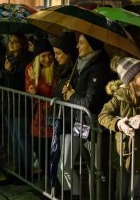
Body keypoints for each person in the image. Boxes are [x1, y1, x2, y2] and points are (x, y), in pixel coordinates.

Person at [98, 56, 140, 200]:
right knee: (121, 193)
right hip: (123, 153)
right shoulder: (119, 97)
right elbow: (103, 116)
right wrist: (119, 123)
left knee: (134, 194)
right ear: (131, 79)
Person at [61, 34, 113, 199]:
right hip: (82, 124)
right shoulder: (82, 65)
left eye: (81, 42)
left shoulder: (99, 68)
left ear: (93, 45)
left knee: (98, 171)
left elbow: (89, 101)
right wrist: (68, 92)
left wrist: (72, 96)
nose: (77, 46)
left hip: (96, 128)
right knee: (90, 169)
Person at [50, 31, 78, 196]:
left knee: (65, 165)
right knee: (61, 165)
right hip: (62, 120)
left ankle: (74, 195)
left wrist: (70, 94)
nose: (56, 57)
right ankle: (67, 194)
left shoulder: (74, 73)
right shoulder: (62, 71)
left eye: (59, 53)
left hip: (71, 122)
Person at [25, 38, 57, 175]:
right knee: (38, 148)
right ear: (37, 57)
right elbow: (28, 89)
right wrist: (31, 89)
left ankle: (53, 185)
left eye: (49, 54)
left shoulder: (56, 68)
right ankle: (46, 180)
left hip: (52, 116)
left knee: (50, 152)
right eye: (43, 56)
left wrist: (35, 83)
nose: (47, 59)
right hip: (37, 117)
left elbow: (52, 92)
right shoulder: (30, 68)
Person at [2, 33, 32, 176]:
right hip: (9, 103)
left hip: (20, 104)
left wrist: (9, 71)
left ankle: (26, 169)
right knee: (14, 137)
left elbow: (20, 83)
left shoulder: (26, 59)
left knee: (21, 138)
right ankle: (18, 166)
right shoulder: (11, 58)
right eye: (10, 42)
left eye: (15, 42)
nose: (11, 44)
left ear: (22, 43)